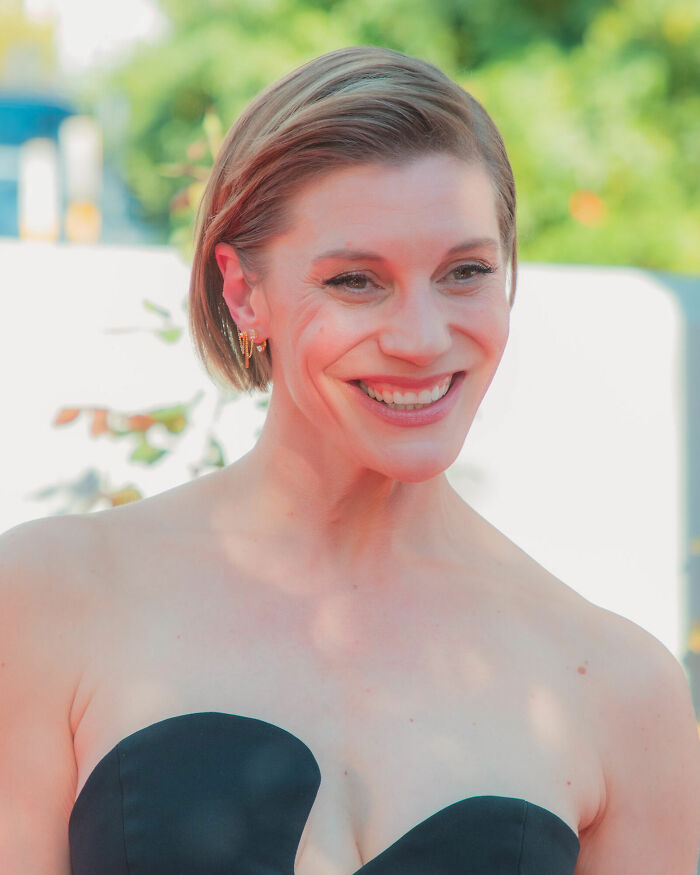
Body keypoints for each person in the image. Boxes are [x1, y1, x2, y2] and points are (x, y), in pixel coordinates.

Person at [1, 45, 699, 875]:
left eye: (465, 271)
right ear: (243, 292)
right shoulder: (47, 599)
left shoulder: (621, 690)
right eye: (356, 281)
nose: (420, 338)